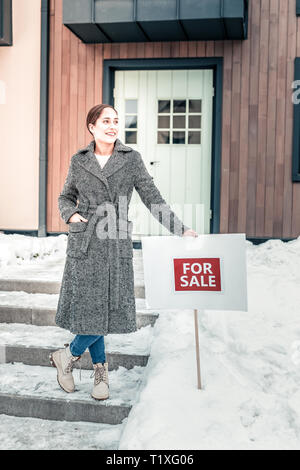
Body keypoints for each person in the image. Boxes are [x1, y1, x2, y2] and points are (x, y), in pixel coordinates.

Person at [50, 104, 198, 401]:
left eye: (116, 121)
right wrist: (71, 215)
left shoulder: (131, 159)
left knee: (106, 309)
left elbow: (152, 198)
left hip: (116, 239)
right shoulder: (79, 161)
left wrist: (180, 229)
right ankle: (100, 372)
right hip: (86, 241)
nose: (112, 125)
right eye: (106, 121)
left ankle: (67, 355)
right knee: (93, 309)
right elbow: (66, 196)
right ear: (91, 126)